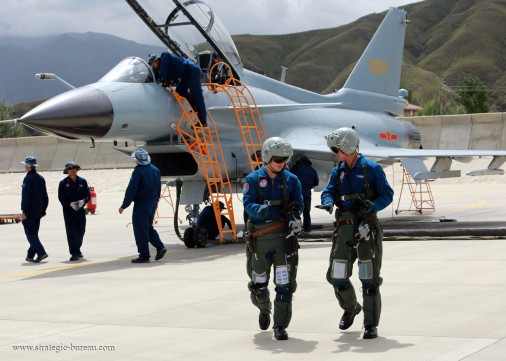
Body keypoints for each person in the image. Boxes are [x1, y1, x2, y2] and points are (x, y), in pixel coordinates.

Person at [316, 127, 393, 339]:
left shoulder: (372, 169)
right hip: (344, 231)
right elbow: (329, 190)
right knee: (336, 276)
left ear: (347, 147)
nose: (335, 153)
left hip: (367, 229)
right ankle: (351, 307)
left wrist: (373, 205)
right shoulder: (337, 171)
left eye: (336, 149)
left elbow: (387, 194)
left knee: (369, 279)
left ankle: (370, 324)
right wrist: (328, 202)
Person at [243, 137, 304, 341]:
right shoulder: (252, 180)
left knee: (284, 286)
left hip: (283, 239)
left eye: (285, 158)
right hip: (260, 239)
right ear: (267, 156)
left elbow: (300, 204)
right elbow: (247, 203)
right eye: (278, 158)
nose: (281, 162)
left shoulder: (292, 180)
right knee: (258, 285)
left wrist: (295, 214)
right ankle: (264, 308)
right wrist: (263, 210)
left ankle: (280, 326)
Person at [119, 149, 167, 263]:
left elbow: (131, 190)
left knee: (140, 229)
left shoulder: (138, 171)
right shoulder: (156, 170)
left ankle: (144, 255)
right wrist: (155, 202)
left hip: (142, 205)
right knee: (148, 227)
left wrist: (124, 205)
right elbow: (158, 188)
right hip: (152, 203)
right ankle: (160, 246)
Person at [148, 52, 207, 127]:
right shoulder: (159, 66)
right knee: (180, 91)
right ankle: (194, 105)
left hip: (192, 70)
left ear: (156, 61)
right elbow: (156, 74)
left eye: (152, 64)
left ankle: (203, 121)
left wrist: (162, 81)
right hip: (186, 74)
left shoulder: (164, 56)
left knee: (197, 96)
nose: (152, 66)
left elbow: (163, 72)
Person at [58, 161, 90, 261]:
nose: (72, 170)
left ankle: (77, 249)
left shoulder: (83, 181)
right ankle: (74, 253)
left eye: (73, 168)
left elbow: (88, 195)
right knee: (71, 232)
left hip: (80, 210)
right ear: (67, 171)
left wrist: (83, 201)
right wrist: (70, 204)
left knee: (81, 231)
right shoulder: (63, 183)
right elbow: (61, 197)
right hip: (68, 211)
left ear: (76, 170)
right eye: (70, 169)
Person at [20, 156, 49, 263]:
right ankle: (30, 255)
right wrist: (44, 209)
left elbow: (26, 196)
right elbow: (45, 195)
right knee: (34, 234)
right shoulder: (41, 178)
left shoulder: (28, 178)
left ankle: (41, 253)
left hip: (30, 211)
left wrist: (24, 211)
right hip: (38, 211)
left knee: (30, 234)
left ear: (28, 166)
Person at [290, 155, 319, 232]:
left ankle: (296, 229)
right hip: (307, 192)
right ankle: (307, 229)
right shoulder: (312, 170)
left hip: (297, 191)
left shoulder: (296, 167)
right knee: (307, 212)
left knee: (296, 211)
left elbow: (289, 179)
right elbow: (316, 182)